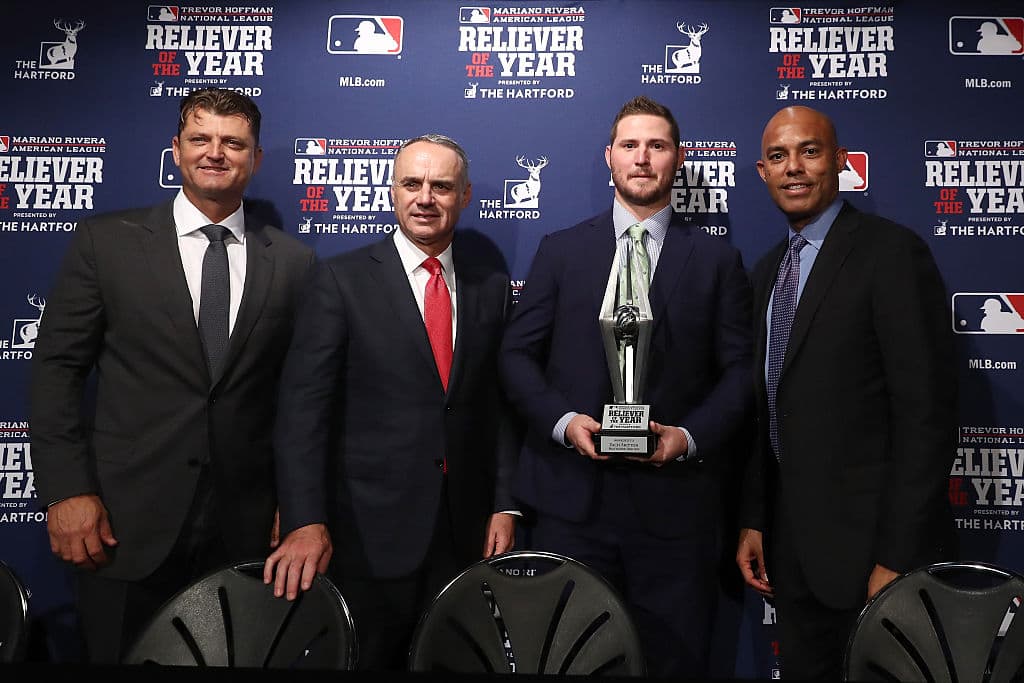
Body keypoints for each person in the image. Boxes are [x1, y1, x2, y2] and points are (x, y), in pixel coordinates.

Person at [29, 88, 315, 663]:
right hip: (121, 523)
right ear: (176, 151)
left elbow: (300, 396)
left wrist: (300, 501)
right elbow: (56, 372)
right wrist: (65, 490)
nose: (216, 152)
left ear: (255, 158)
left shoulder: (293, 262)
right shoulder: (105, 243)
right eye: (200, 139)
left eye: (233, 142)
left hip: (245, 527)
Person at [499, 95, 753, 677]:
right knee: (568, 660)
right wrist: (565, 424)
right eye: (631, 146)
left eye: (657, 146)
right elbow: (516, 355)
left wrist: (687, 436)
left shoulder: (717, 260)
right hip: (571, 503)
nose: (643, 158)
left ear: (678, 159)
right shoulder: (561, 251)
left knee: (674, 662)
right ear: (609, 157)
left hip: (676, 514)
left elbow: (741, 372)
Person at [263, 134, 517, 671]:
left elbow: (498, 409)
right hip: (365, 537)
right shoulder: (339, 280)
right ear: (393, 192)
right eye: (412, 183)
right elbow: (303, 412)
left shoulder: (491, 288)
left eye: (441, 186)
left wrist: (504, 502)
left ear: (465, 195)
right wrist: (305, 518)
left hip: (464, 535)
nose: (426, 197)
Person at [736, 105, 957, 680]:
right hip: (792, 556)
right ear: (762, 172)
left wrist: (896, 558)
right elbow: (766, 413)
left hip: (872, 559)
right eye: (779, 157)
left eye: (809, 152)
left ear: (839, 162)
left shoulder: (891, 255)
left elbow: (926, 416)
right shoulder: (765, 274)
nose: (795, 169)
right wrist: (757, 519)